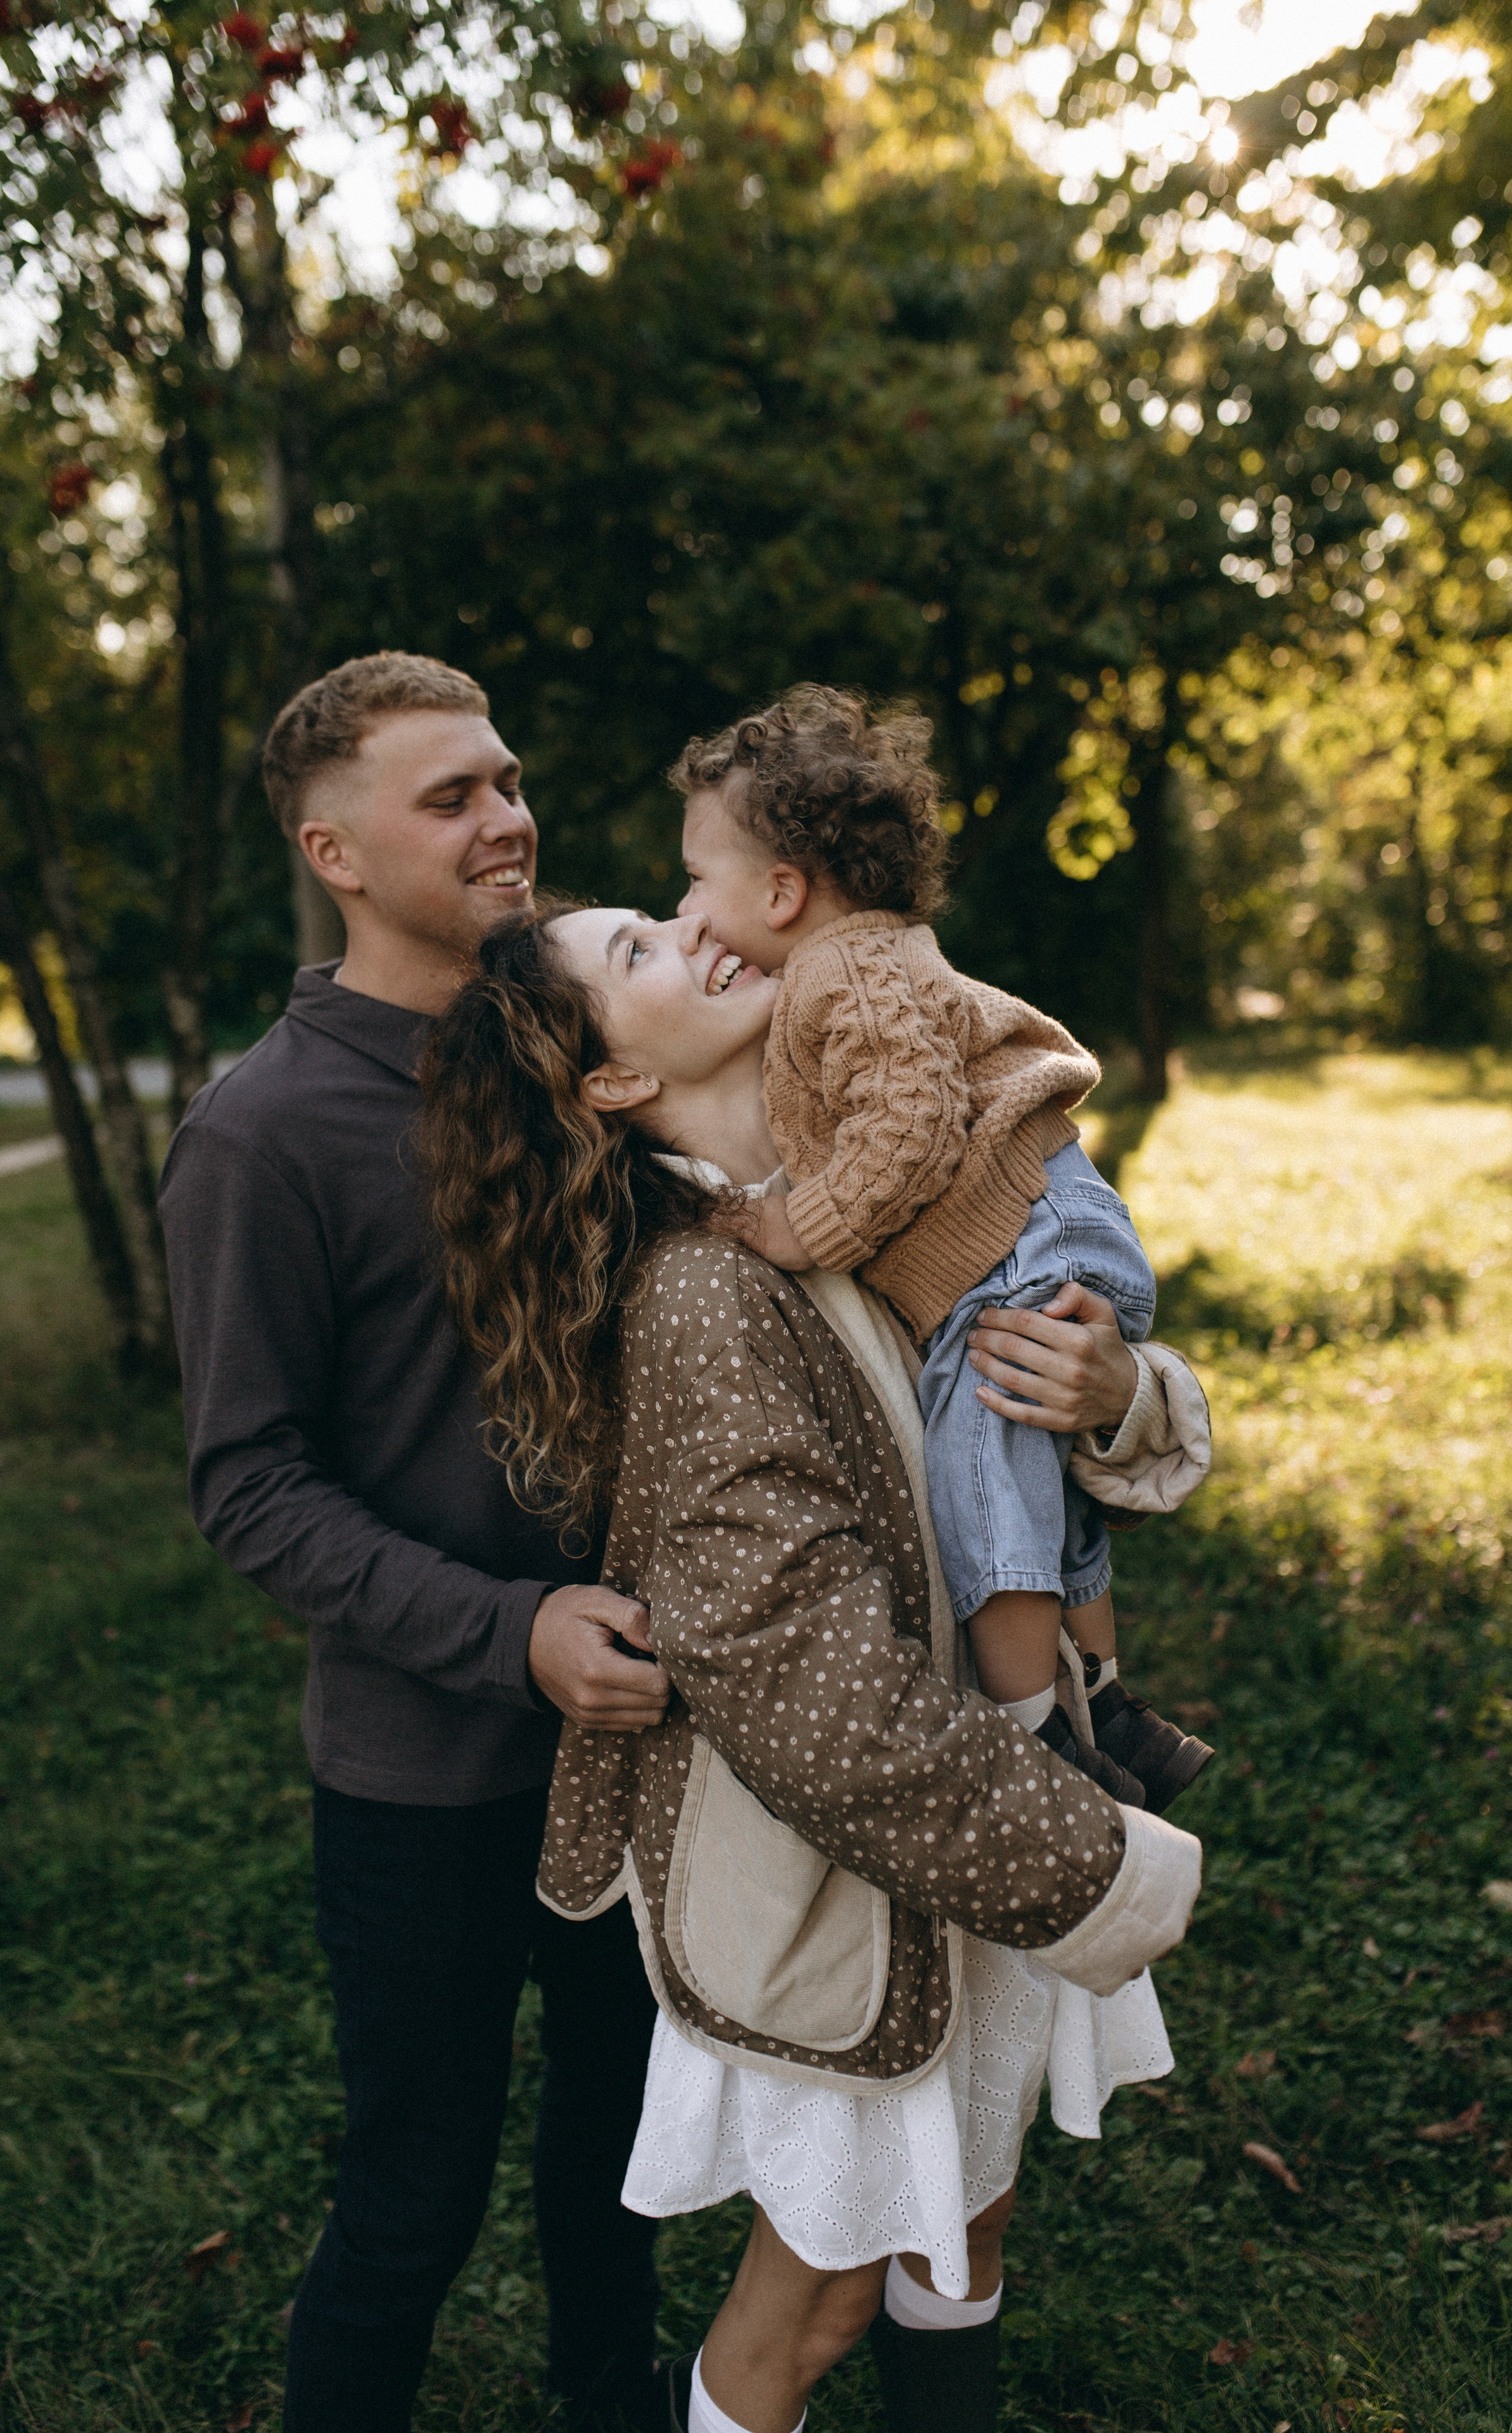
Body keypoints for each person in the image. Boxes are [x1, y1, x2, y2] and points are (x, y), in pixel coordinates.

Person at [420, 900, 1209, 2433]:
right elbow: (806, 1700)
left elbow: (1022, 1464)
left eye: (662, 914)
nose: (695, 933)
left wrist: (1116, 1393)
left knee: (970, 2212)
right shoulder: (707, 1293)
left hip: (967, 1836)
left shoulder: (862, 1199)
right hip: (855, 1879)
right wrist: (1098, 1866)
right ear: (607, 1088)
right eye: (637, 957)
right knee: (823, 2291)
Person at [157, 654, 675, 2433]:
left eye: (508, 780)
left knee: (629, 2184)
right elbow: (249, 1481)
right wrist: (510, 1629)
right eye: (450, 796)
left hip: (653, 1747)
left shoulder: (600, 1054)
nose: (507, 818)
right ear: (337, 851)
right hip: (424, 1779)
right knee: (411, 2201)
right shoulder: (262, 1133)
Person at [671, 684, 1212, 1814]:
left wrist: (795, 1226)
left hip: (1020, 1233)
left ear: (781, 891)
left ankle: (1034, 1746)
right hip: (1031, 1222)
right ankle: (1107, 1703)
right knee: (1042, 1483)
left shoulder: (844, 969)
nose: (685, 913)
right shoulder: (853, 967)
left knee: (983, 1471)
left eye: (691, 882)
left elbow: (909, 1128)